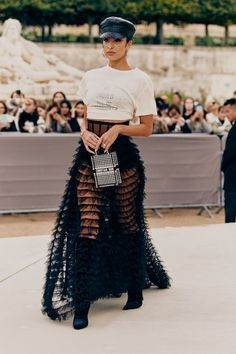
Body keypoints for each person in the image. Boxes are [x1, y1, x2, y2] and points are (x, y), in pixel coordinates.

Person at [41, 16, 171, 330]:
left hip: (122, 156)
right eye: (105, 40)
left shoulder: (140, 79)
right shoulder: (90, 77)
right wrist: (83, 133)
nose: (109, 46)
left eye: (116, 40)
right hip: (90, 156)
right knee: (88, 223)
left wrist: (120, 129)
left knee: (126, 221)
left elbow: (148, 128)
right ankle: (83, 300)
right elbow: (85, 117)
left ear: (129, 43)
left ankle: (134, 286)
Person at [221, 98, 236, 223]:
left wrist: (223, 166)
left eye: (228, 111)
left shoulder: (235, 130)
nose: (226, 114)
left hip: (233, 176)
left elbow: (230, 152)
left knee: (231, 212)